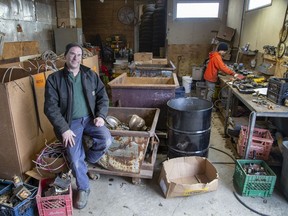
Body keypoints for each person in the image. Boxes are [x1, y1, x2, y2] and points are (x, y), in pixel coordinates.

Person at [44, 42, 112, 209]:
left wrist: (101, 116)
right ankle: (84, 188)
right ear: (65, 56)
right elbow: (50, 108)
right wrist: (64, 129)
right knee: (74, 160)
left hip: (90, 119)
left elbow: (103, 96)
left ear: (82, 58)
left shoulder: (90, 75)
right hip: (70, 124)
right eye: (72, 54)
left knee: (106, 140)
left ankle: (87, 161)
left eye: (79, 55)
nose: (76, 58)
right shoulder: (54, 79)